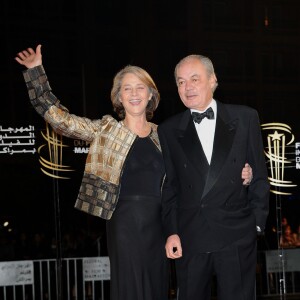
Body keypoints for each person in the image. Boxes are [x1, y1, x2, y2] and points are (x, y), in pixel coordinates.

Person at [15, 46, 253, 300]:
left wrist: (243, 174)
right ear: (118, 97)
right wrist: (35, 72)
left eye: (140, 87)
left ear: (151, 94)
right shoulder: (105, 130)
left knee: (158, 287)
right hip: (124, 224)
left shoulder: (167, 134)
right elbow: (60, 119)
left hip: (161, 224)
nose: (134, 93)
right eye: (126, 88)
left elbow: (199, 172)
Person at [157, 54, 270, 300]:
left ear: (213, 80)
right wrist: (172, 231)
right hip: (190, 237)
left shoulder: (245, 118)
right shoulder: (168, 130)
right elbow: (170, 188)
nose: (187, 87)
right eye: (180, 82)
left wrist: (256, 223)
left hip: (237, 234)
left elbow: (260, 176)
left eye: (194, 79)